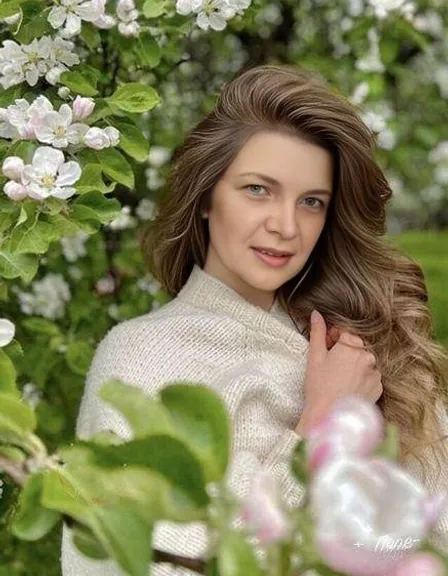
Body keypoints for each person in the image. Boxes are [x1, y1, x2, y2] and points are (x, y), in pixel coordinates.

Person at [61, 64, 448, 575]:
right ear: (205, 197)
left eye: (311, 202)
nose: (286, 226)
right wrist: (322, 425)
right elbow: (169, 567)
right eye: (258, 190)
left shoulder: (366, 344)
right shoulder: (143, 357)